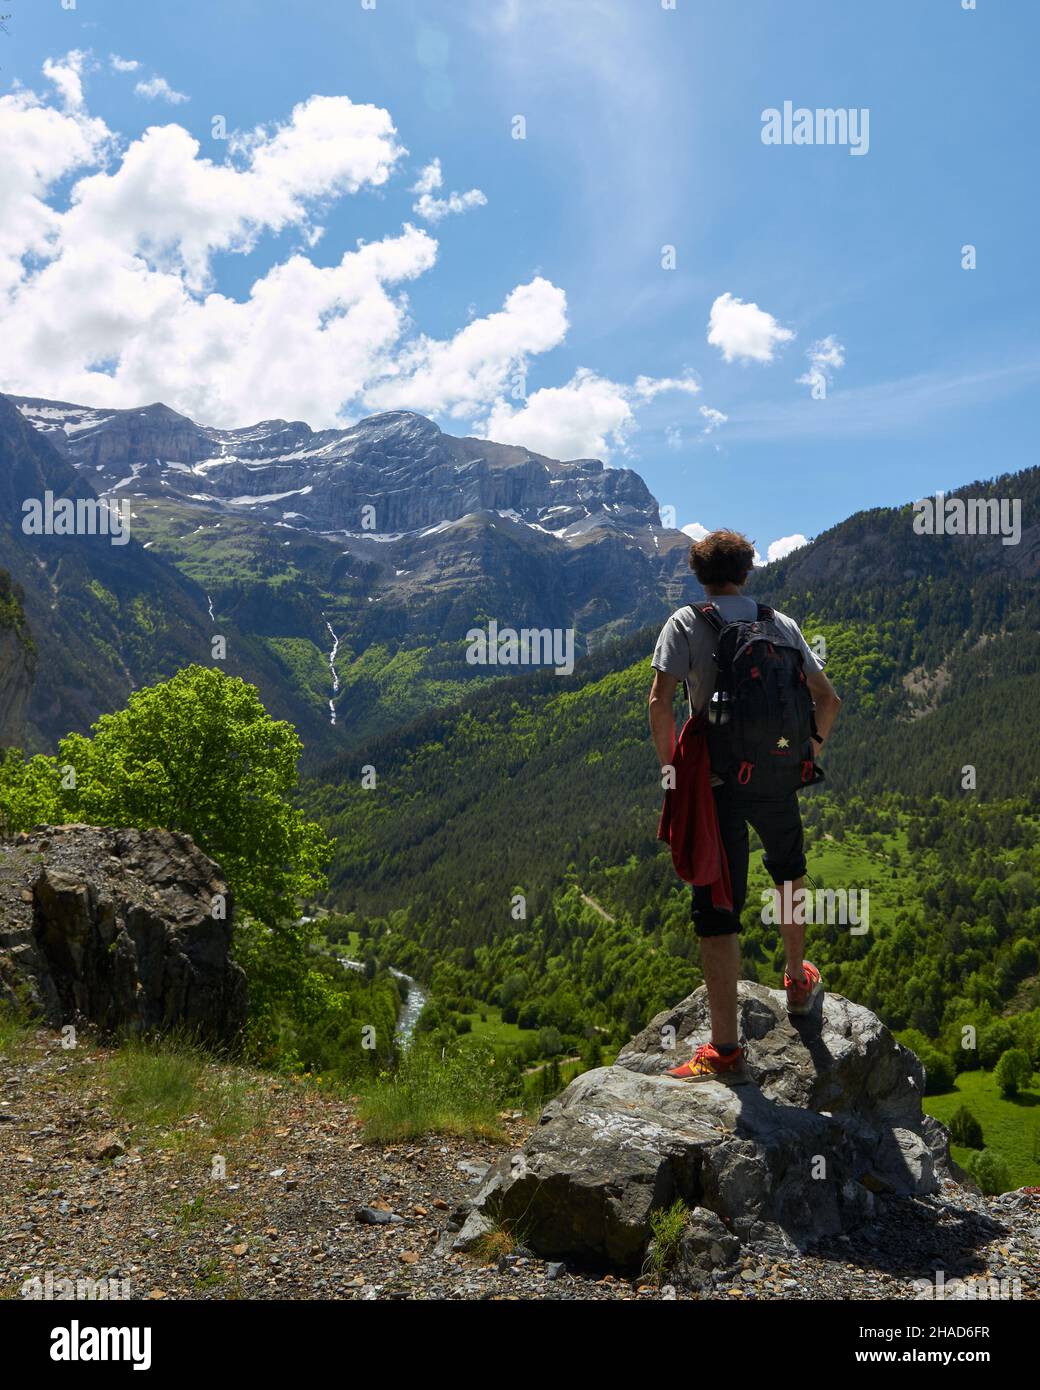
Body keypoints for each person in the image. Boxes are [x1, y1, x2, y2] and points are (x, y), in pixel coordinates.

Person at [648, 529, 841, 1084]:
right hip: (779, 776)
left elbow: (660, 703)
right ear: (747, 570)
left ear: (699, 572)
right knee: (789, 874)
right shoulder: (780, 624)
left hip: (715, 785)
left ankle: (726, 1050)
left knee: (718, 905)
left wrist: (672, 771)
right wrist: (809, 750)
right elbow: (829, 698)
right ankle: (797, 983)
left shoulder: (687, 622)